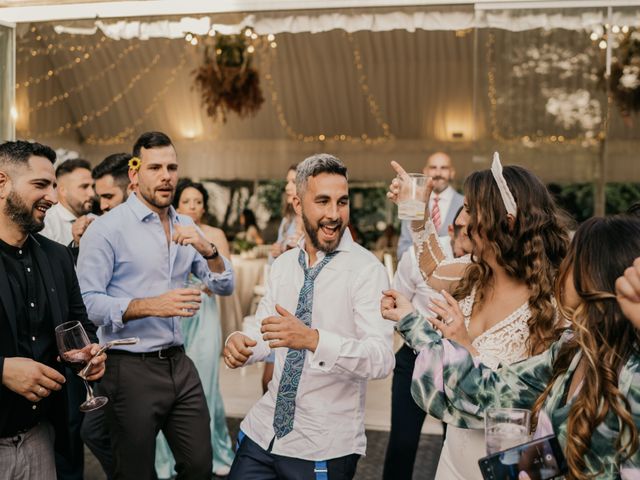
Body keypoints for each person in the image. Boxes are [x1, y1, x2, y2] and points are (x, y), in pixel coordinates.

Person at [383, 214, 640, 478]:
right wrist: (412, 322)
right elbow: (485, 391)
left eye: (572, 259)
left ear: (592, 274)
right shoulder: (571, 350)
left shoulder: (631, 375)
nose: (563, 267)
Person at [386, 155, 569, 479]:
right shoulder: (474, 273)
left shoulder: (551, 303)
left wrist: (464, 345)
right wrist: (416, 209)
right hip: (452, 460)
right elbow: (431, 267)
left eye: (470, 208)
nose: (460, 219)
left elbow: (535, 402)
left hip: (505, 467)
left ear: (507, 223)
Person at [224, 154, 394, 480]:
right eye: (322, 201)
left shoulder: (366, 270)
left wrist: (314, 341)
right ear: (297, 204)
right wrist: (240, 343)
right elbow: (266, 328)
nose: (334, 214)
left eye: (342, 202)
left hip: (323, 444)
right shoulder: (285, 265)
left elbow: (381, 358)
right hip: (263, 433)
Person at [77, 131, 234, 480]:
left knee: (198, 464)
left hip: (180, 363)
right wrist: (152, 305)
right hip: (128, 368)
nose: (166, 175)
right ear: (135, 174)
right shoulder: (106, 230)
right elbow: (88, 304)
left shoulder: (187, 226)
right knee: (135, 472)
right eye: (156, 167)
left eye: (172, 167)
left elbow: (224, 286)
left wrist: (209, 250)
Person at [0, 140, 106, 480]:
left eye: (54, 186)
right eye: (40, 185)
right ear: (2, 183)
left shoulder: (58, 257)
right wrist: (1, 369)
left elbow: (81, 324)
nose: (54, 197)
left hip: (42, 438)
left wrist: (90, 353)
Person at [382, 206, 470, 480]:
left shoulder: (485, 265)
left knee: (454, 444)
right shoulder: (417, 257)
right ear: (452, 229)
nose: (473, 239)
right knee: (402, 443)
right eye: (466, 230)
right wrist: (415, 329)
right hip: (414, 358)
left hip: (458, 363)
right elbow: (395, 302)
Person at [155, 179, 235, 478]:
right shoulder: (167, 230)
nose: (193, 206)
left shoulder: (213, 235)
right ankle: (166, 458)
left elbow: (224, 279)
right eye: (187, 201)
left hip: (202, 312)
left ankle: (213, 452)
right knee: (166, 386)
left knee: (205, 386)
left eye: (198, 202)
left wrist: (198, 284)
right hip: (173, 313)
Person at [264, 165, 303, 393]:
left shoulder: (316, 222)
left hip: (302, 306)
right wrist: (277, 252)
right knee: (268, 379)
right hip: (282, 301)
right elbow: (273, 267)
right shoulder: (286, 222)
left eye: (293, 181)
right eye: (287, 182)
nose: (288, 187)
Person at [396, 152, 463, 259]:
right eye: (433, 167)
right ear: (425, 171)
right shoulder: (413, 203)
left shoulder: (465, 204)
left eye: (444, 168)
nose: (438, 173)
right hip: (417, 274)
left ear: (452, 172)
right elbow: (402, 250)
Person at [41, 158, 95, 249]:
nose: (92, 193)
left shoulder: (97, 220)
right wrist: (75, 246)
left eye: (93, 186)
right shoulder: (45, 224)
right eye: (84, 186)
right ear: (62, 191)